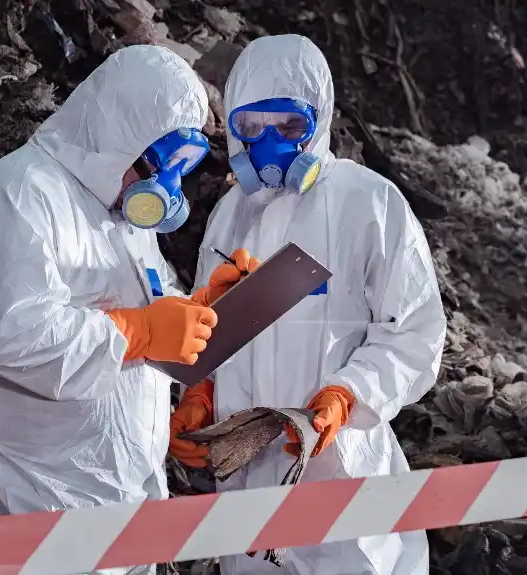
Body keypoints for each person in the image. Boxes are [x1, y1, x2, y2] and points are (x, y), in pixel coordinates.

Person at [0, 45, 235, 574]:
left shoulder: (119, 217)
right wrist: (139, 332)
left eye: (180, 168)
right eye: (159, 164)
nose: (165, 187)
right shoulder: (17, 197)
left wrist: (199, 310)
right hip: (34, 504)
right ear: (115, 136)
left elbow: (149, 311)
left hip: (126, 494)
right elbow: (13, 334)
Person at [168, 34, 448, 575]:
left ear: (319, 120)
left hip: (341, 466)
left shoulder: (368, 202)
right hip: (247, 469)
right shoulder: (230, 214)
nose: (269, 143)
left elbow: (413, 331)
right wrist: (201, 388)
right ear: (232, 126)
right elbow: (210, 325)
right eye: (252, 126)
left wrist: (349, 395)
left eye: (291, 126)